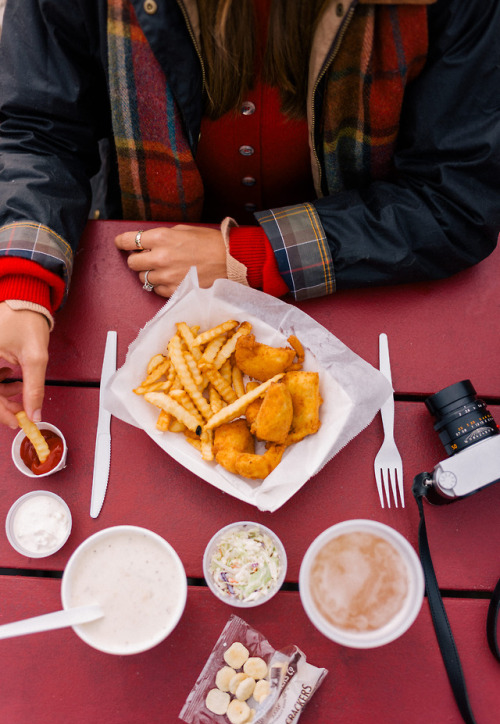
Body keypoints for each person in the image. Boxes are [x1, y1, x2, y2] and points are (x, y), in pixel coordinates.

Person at [0, 0, 499, 429]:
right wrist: (21, 284)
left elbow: (458, 194)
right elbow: (36, 125)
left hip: (366, 269)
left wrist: (254, 253)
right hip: (144, 265)